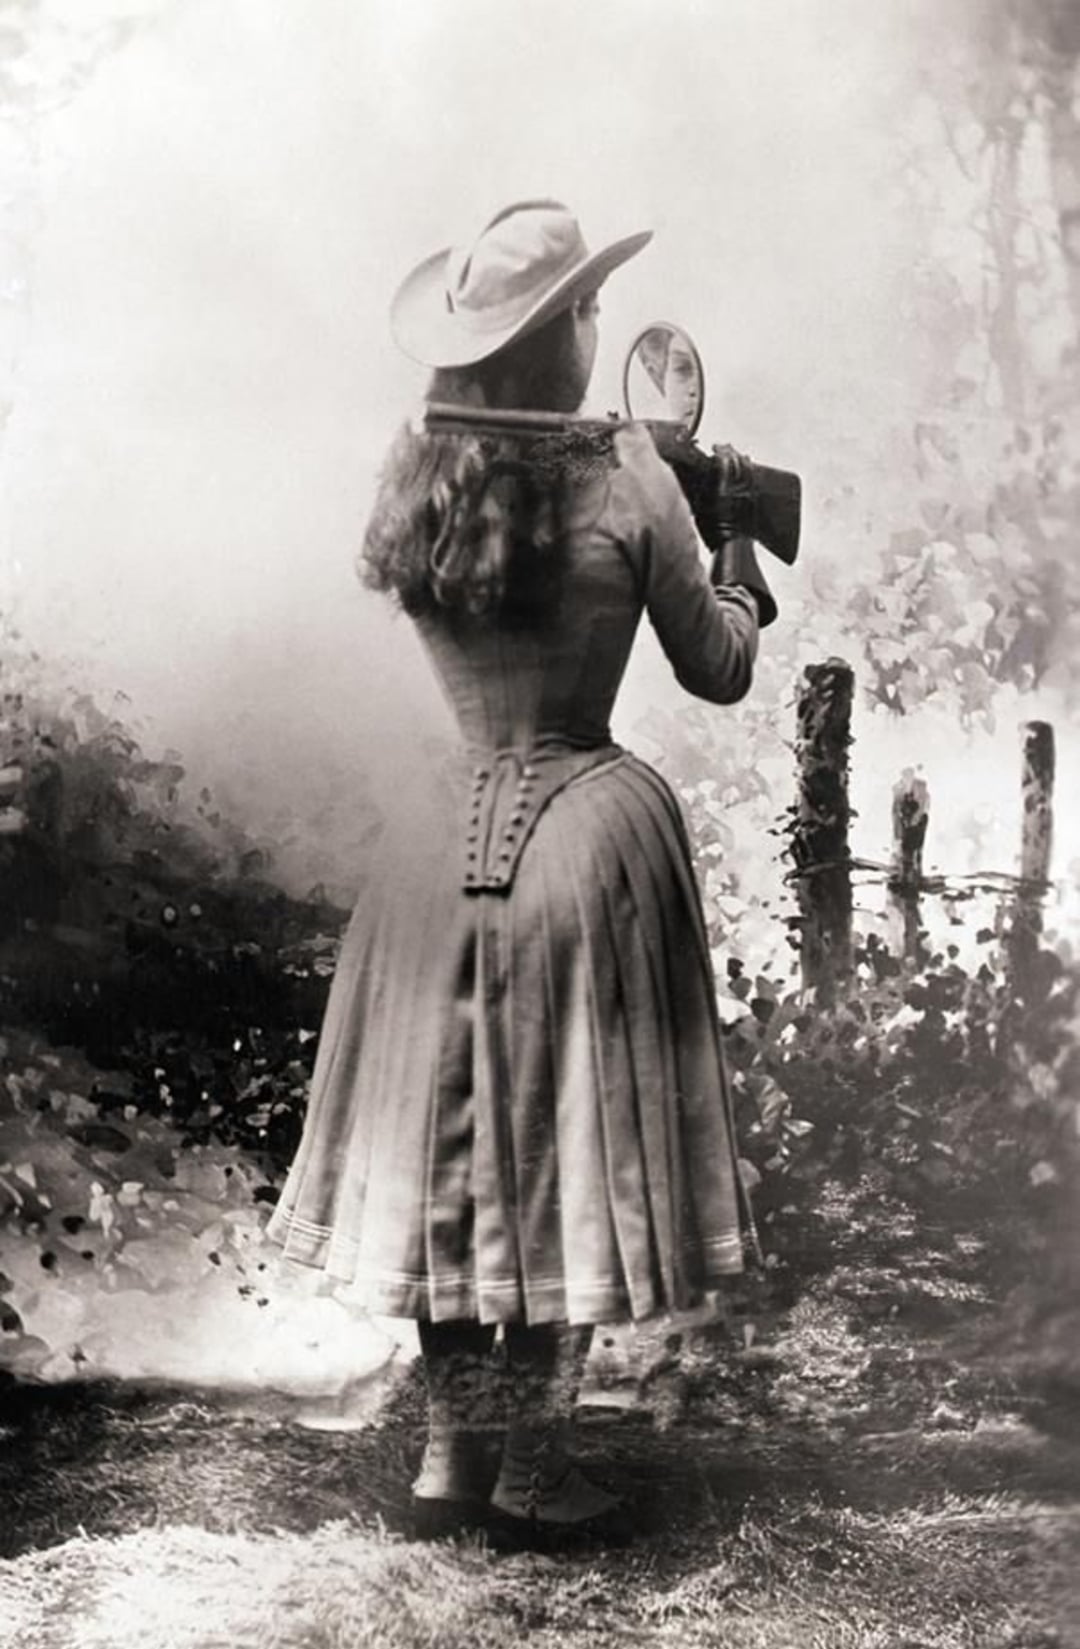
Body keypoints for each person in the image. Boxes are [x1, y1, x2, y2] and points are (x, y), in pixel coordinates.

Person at [267, 199, 774, 1549]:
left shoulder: (422, 469)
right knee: (557, 1137)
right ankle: (539, 1465)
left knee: (453, 1141)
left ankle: (450, 1452)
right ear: (566, 337)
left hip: (437, 845)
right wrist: (736, 553)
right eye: (590, 311)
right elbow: (719, 663)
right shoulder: (627, 479)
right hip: (582, 830)